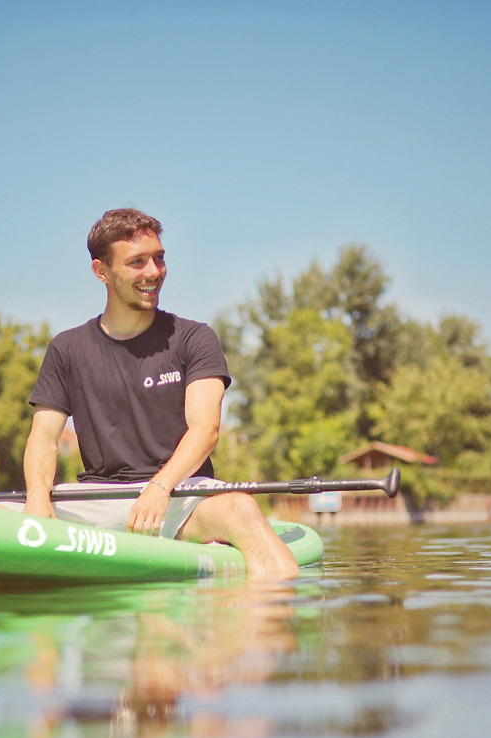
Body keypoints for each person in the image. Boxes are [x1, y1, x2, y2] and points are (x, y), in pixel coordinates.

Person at [19, 208, 299, 579]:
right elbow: (43, 438)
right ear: (102, 271)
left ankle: (273, 620)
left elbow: (206, 430)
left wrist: (160, 487)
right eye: (137, 262)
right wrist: (38, 499)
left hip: (183, 494)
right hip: (98, 498)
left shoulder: (194, 338)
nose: (154, 272)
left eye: (159, 258)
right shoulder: (66, 349)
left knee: (241, 509)